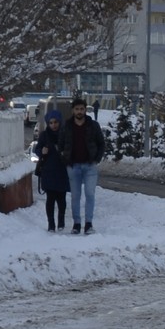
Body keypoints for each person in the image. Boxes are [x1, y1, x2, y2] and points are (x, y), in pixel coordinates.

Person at [63, 97, 106, 234]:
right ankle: (76, 224)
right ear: (73, 110)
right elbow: (61, 144)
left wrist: (96, 159)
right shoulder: (67, 126)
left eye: (82, 109)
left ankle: (88, 223)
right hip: (73, 166)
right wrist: (65, 158)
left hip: (90, 166)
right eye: (77, 109)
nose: (79, 111)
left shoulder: (93, 125)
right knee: (75, 196)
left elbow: (101, 144)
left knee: (90, 193)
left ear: (85, 110)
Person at [33, 108, 71, 232]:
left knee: (61, 199)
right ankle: (51, 224)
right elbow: (37, 149)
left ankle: (61, 221)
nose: (53, 125)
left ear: (60, 122)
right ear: (48, 123)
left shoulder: (65, 134)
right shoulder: (44, 135)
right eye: (51, 122)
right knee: (50, 199)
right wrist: (41, 152)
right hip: (48, 171)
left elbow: (71, 149)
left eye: (56, 122)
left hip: (62, 170)